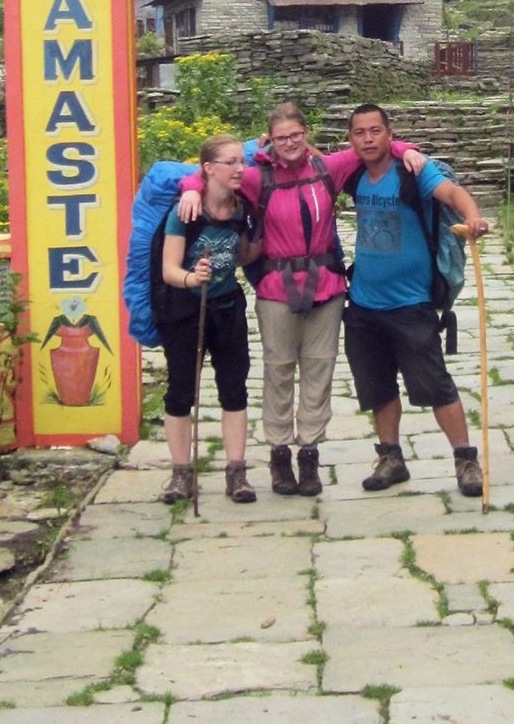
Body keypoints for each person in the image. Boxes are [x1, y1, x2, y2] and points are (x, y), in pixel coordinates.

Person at [179, 102, 422, 497]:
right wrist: (191, 190)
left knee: (319, 371)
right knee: (278, 370)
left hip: (326, 287)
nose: (289, 143)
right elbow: (211, 175)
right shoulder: (258, 177)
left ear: (306, 134)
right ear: (270, 141)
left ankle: (309, 454)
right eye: (280, 138)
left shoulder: (329, 169)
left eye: (295, 135)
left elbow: (371, 145)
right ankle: (279, 456)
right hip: (276, 288)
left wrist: (407, 149)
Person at [341, 103, 490, 497]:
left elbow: (453, 193)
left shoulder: (414, 172)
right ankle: (390, 458)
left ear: (390, 134)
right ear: (351, 139)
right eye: (360, 132)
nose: (368, 139)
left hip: (411, 303)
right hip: (363, 303)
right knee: (378, 387)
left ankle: (465, 460)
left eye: (376, 131)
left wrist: (472, 217)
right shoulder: (352, 173)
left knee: (435, 384)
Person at [157, 134, 259, 505]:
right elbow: (169, 268)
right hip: (186, 310)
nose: (239, 169)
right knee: (182, 391)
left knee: (235, 388)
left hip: (227, 306)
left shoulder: (242, 210)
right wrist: (191, 277)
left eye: (241, 162)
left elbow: (245, 256)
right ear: (209, 169)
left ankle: (237, 472)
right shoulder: (186, 211)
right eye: (230, 163)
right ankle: (181, 474)